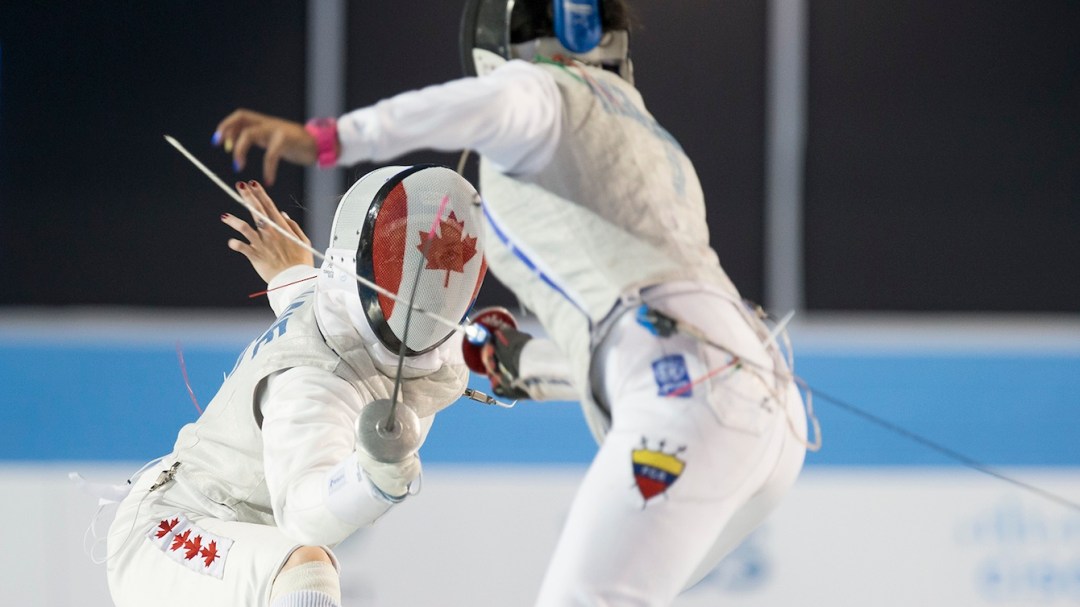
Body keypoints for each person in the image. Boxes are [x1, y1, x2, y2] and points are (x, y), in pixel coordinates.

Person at [213, 1, 814, 603]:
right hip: (766, 400)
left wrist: (326, 138)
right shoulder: (640, 127)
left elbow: (482, 105)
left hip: (687, 397)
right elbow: (636, 348)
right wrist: (524, 365)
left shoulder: (540, 91)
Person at [105, 166, 487, 607]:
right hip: (172, 534)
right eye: (405, 256)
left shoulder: (334, 303)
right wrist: (373, 478)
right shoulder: (314, 381)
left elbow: (302, 292)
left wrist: (287, 271)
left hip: (234, 556)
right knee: (306, 568)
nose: (430, 281)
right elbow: (306, 519)